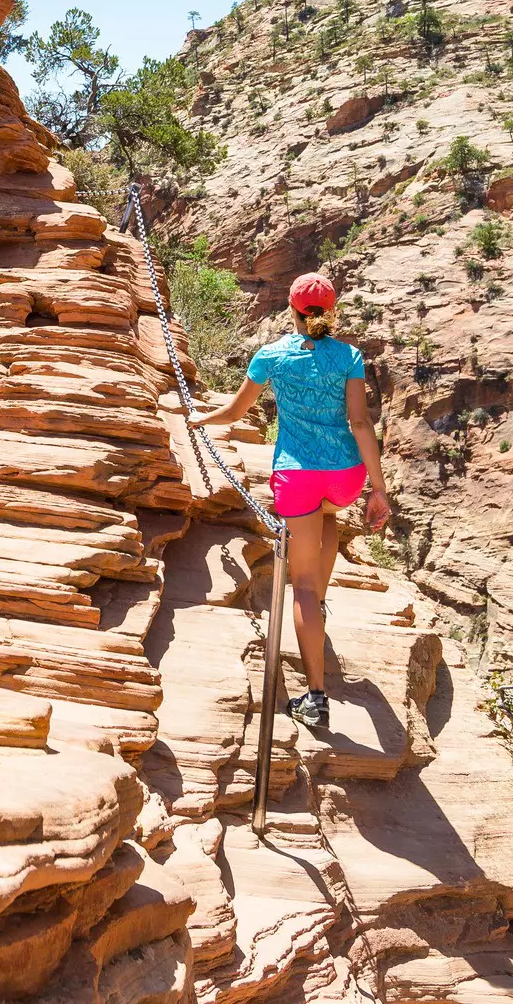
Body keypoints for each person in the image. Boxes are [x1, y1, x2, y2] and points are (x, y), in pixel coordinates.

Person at [191, 272, 390, 729]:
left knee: (298, 584)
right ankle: (317, 607)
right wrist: (378, 489)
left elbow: (236, 412)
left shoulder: (272, 355)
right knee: (328, 519)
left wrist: (200, 419)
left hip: (297, 477)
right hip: (345, 479)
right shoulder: (349, 356)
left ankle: (315, 697)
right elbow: (361, 423)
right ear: (330, 309)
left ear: (291, 308)